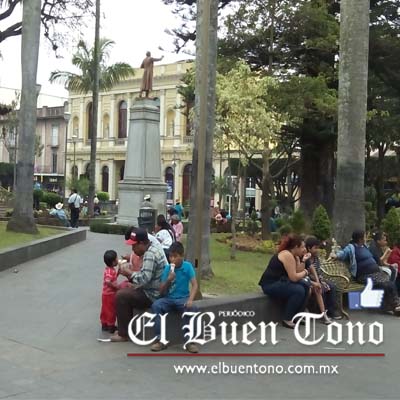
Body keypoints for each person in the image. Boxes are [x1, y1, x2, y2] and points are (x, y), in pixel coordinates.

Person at [110, 228, 167, 342]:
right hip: (153, 288)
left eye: (134, 245)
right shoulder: (153, 248)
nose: (133, 249)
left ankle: (123, 334)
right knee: (127, 289)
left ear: (141, 243)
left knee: (121, 296)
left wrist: (129, 273)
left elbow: (144, 279)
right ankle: (126, 328)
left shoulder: (150, 254)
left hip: (153, 294)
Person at [331, 229, 400, 314]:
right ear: (360, 239)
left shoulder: (364, 246)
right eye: (364, 236)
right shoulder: (351, 247)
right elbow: (343, 253)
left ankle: (391, 306)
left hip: (375, 273)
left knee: (388, 283)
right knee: (387, 284)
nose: (365, 238)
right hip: (363, 275)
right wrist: (336, 255)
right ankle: (395, 305)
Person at [151, 242, 199, 353]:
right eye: (170, 256)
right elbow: (161, 291)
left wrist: (190, 299)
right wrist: (168, 279)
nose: (172, 259)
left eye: (175, 256)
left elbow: (195, 285)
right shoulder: (167, 268)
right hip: (169, 299)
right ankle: (160, 340)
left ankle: (190, 341)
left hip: (183, 298)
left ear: (181, 256)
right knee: (156, 305)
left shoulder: (187, 267)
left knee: (192, 309)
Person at [259, 234, 312, 329]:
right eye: (302, 247)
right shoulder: (287, 255)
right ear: (296, 247)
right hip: (270, 284)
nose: (304, 249)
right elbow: (294, 277)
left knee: (306, 285)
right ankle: (287, 318)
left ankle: (297, 315)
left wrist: (303, 261)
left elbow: (297, 271)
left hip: (282, 281)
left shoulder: (294, 256)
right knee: (298, 290)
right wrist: (306, 272)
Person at [305, 236, 342, 321]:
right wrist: (318, 281)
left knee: (332, 286)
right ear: (309, 248)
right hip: (310, 281)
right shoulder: (306, 258)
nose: (317, 250)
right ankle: (320, 312)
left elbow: (318, 271)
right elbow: (306, 273)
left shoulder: (316, 258)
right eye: (315, 248)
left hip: (318, 279)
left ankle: (331, 311)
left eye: (318, 248)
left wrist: (321, 280)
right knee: (322, 288)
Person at [100, 250, 130, 333]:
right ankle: (111, 326)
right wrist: (116, 287)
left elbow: (112, 279)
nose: (118, 260)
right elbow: (108, 281)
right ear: (113, 262)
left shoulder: (110, 270)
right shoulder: (110, 271)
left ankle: (104, 324)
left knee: (105, 309)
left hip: (105, 294)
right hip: (110, 294)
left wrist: (118, 273)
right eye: (116, 259)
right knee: (111, 310)